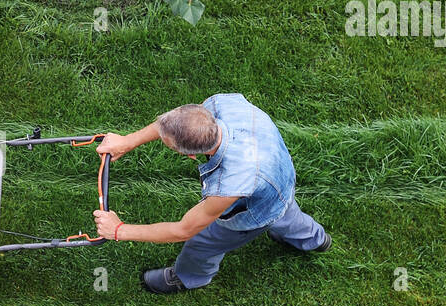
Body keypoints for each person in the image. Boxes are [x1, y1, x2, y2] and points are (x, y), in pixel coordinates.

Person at [93, 94, 330, 294]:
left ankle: (189, 276)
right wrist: (127, 141)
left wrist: (119, 230)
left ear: (189, 155)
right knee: (286, 213)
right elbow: (172, 123)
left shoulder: (230, 184)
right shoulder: (221, 105)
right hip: (280, 178)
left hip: (257, 202)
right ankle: (316, 239)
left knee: (203, 242)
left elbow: (183, 230)